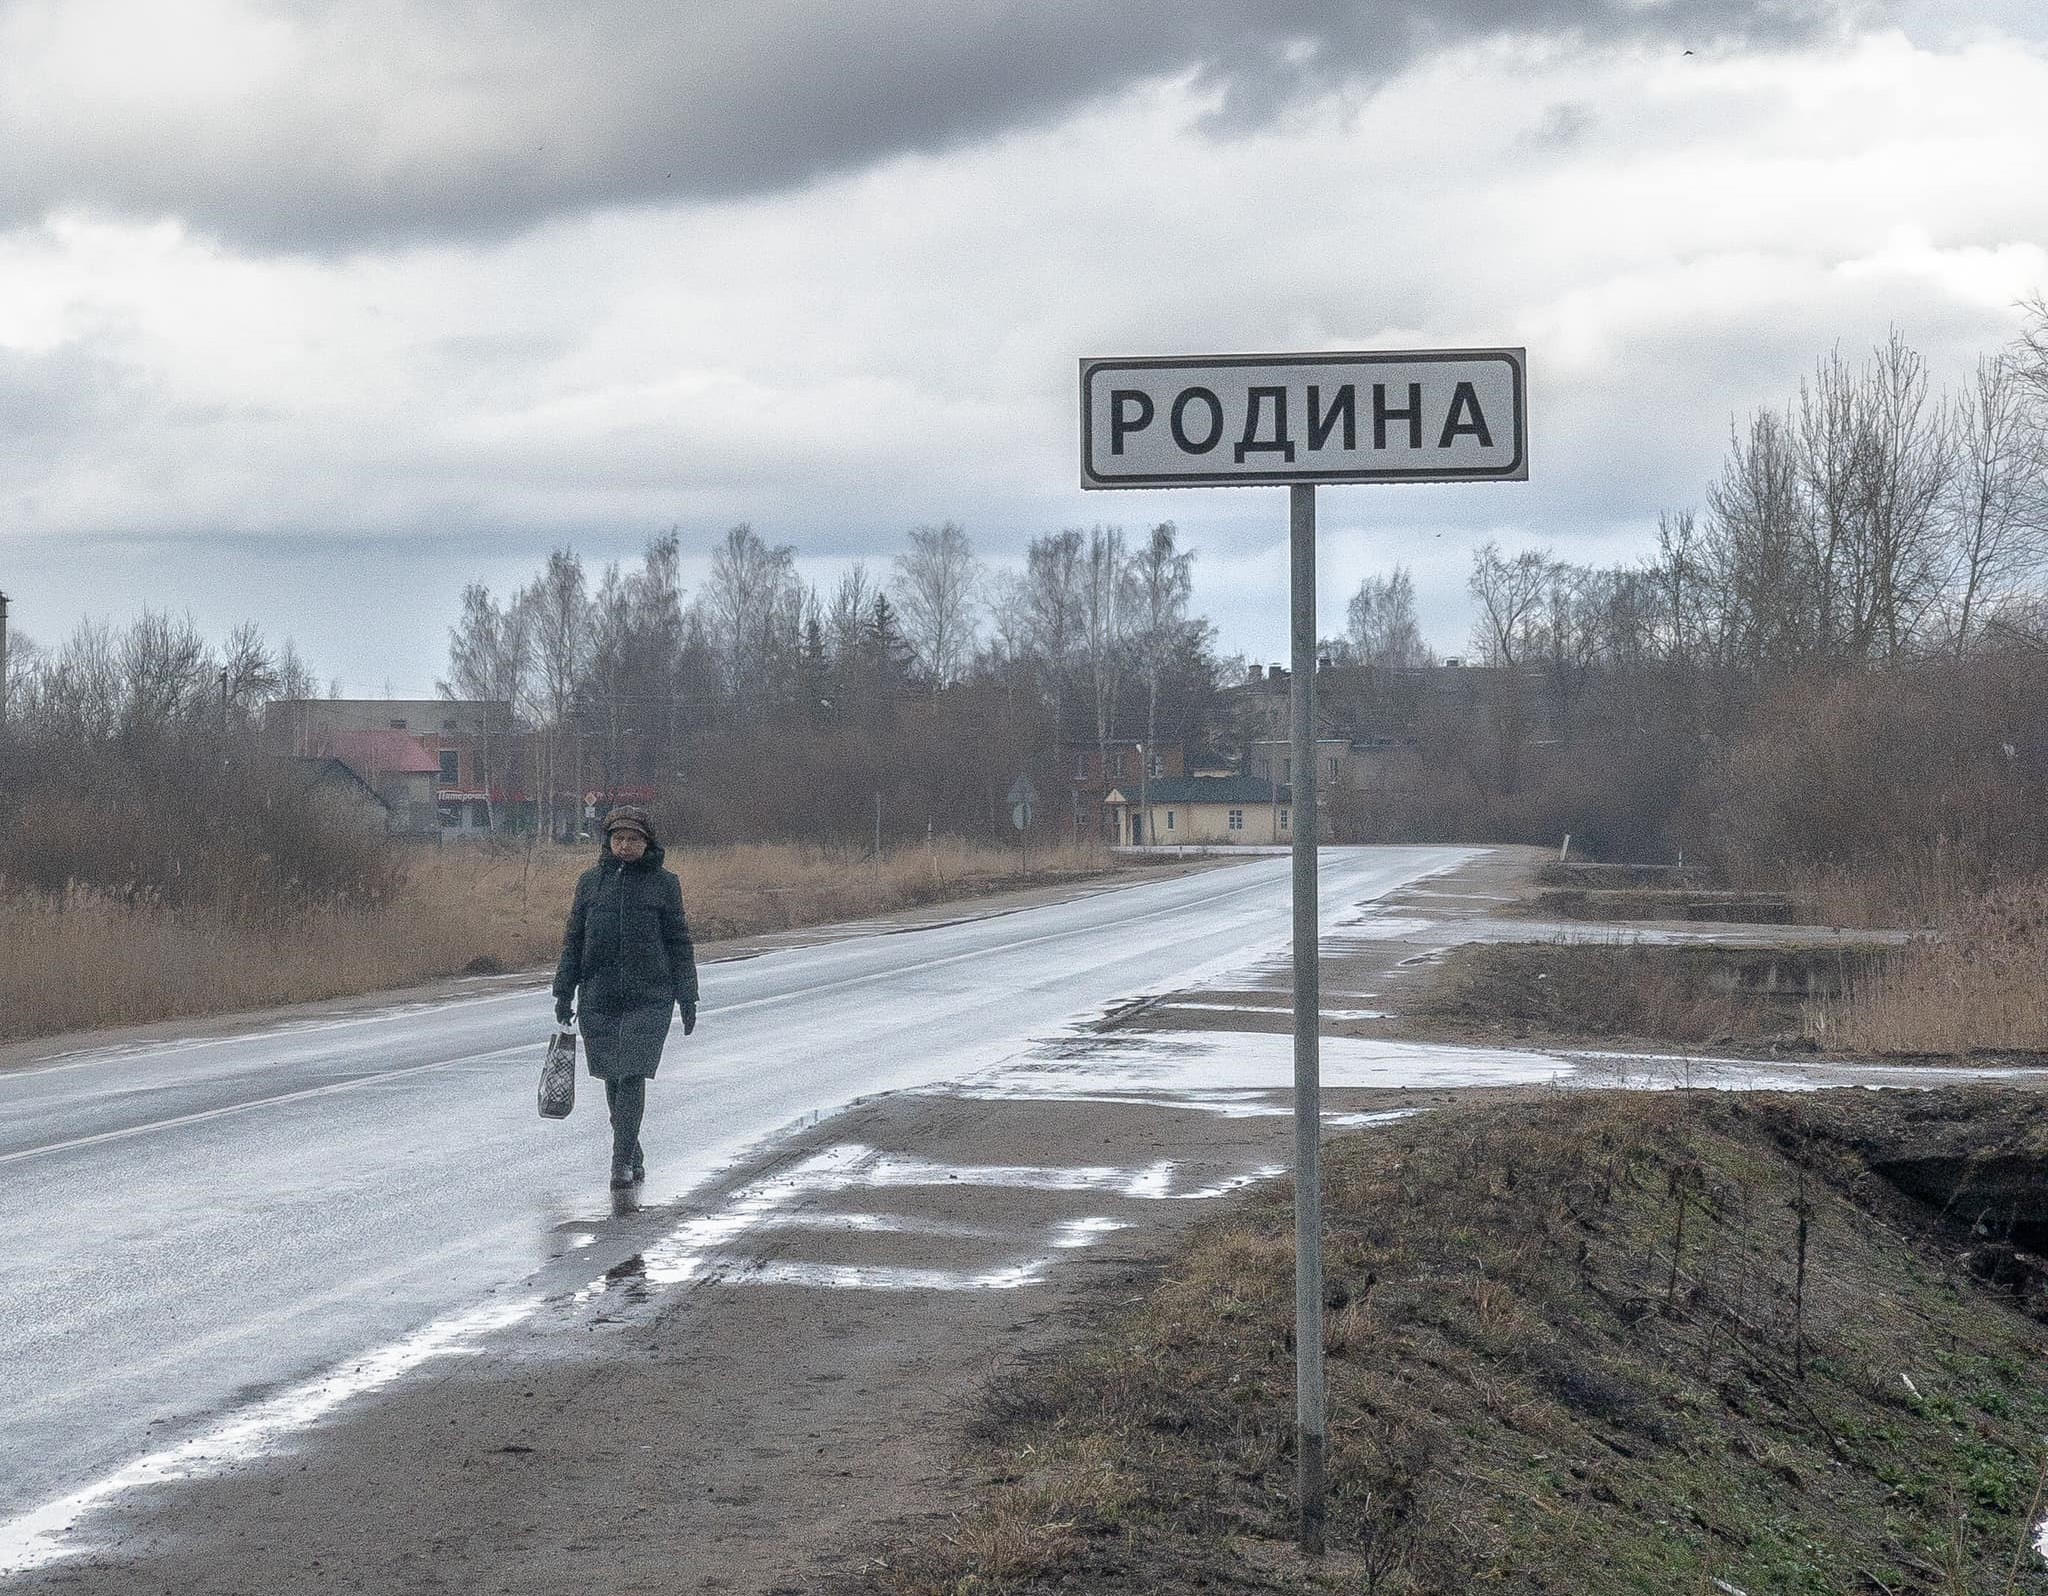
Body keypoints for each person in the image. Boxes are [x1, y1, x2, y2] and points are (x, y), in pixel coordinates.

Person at [552, 804, 699, 1188]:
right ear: (608, 841)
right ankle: (631, 1150)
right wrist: (563, 990)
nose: (625, 846)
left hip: (649, 995)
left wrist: (688, 996)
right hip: (598, 993)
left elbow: (679, 942)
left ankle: (620, 1164)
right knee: (610, 1077)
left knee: (631, 1074)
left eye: (634, 839)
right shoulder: (590, 883)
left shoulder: (665, 884)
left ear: (647, 843)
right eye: (619, 838)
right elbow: (574, 939)